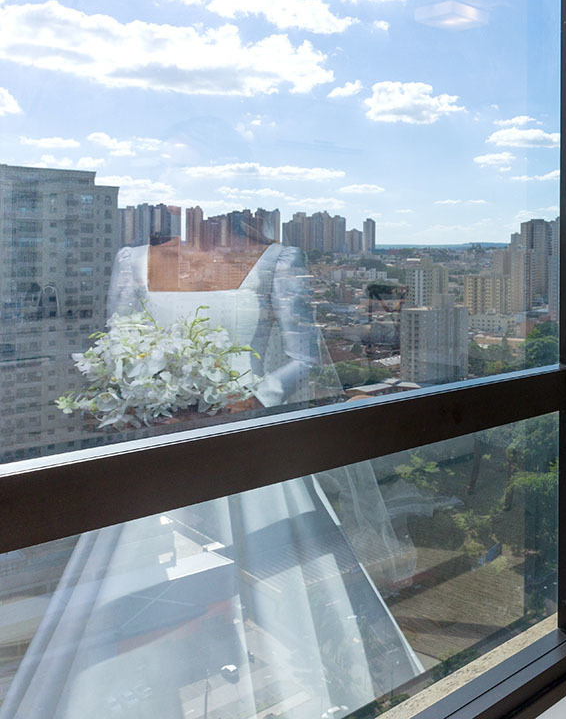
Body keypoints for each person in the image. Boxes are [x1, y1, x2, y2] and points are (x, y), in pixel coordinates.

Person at [3, 230, 424, 718]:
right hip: (164, 447)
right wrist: (147, 404)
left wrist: (251, 400)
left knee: (278, 580)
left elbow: (304, 357)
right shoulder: (132, 262)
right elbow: (119, 349)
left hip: (247, 445)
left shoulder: (277, 259)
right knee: (145, 585)